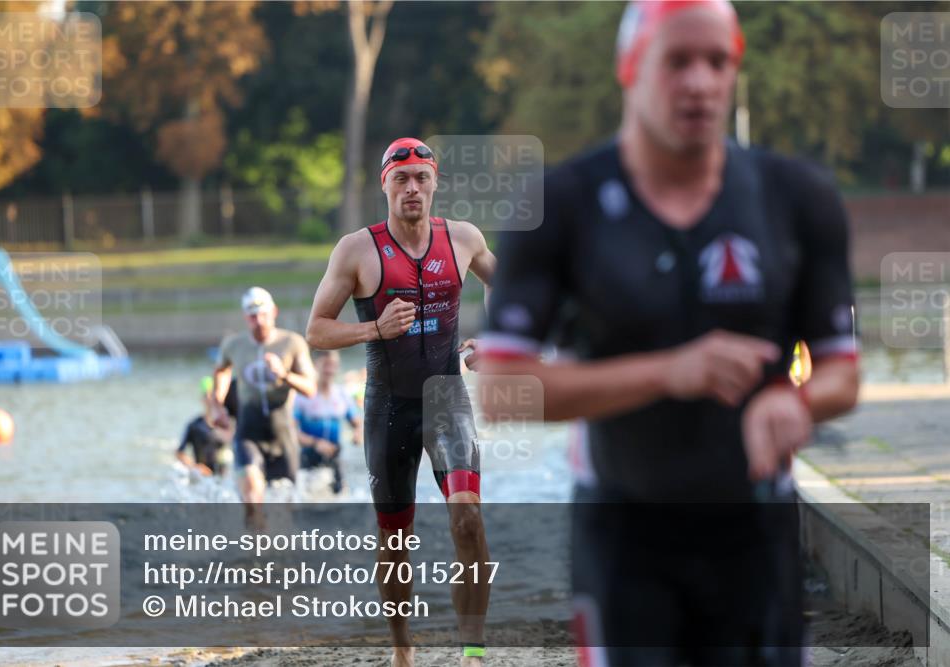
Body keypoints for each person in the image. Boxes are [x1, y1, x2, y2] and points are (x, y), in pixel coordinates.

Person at [479, 2, 860, 665]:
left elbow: (842, 371)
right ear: (631, 68)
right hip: (625, 533)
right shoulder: (560, 204)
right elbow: (502, 390)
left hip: (755, 530)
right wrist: (669, 371)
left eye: (719, 62)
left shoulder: (796, 197)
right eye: (677, 60)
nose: (700, 83)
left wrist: (793, 399)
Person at [306, 137, 496, 667]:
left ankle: (474, 652)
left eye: (421, 179)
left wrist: (497, 343)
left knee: (468, 519)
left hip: (446, 397)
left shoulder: (462, 239)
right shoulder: (356, 250)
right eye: (401, 180)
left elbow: (510, 289)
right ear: (385, 185)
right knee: (395, 542)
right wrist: (373, 327)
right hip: (388, 408)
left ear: (435, 183)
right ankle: (402, 650)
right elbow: (315, 331)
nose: (412, 189)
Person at [212, 286, 317, 530]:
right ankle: (254, 558)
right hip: (249, 433)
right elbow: (221, 371)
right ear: (245, 317)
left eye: (263, 314)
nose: (258, 321)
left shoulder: (292, 342)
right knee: (252, 498)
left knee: (286, 513)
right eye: (252, 316)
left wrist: (285, 374)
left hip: (283, 435)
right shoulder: (233, 345)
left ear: (274, 312)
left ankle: (282, 558)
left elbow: (310, 388)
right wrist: (217, 404)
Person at [294, 349, 363, 495]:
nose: (330, 370)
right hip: (309, 458)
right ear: (314, 366)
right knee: (308, 500)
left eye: (333, 365)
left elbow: (356, 422)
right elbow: (291, 432)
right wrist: (316, 443)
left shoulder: (341, 394)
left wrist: (357, 434)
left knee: (339, 498)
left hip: (335, 456)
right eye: (325, 365)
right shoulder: (302, 396)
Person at [176, 376, 232, 477]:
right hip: (204, 476)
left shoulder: (228, 425)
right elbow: (179, 453)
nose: (211, 399)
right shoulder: (194, 426)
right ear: (203, 399)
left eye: (213, 396)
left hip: (224, 477)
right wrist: (196, 467)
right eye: (207, 395)